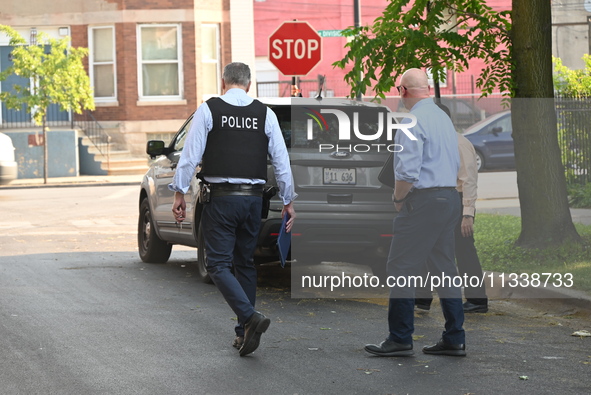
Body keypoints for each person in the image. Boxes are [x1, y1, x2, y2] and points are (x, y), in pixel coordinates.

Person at [169, 62, 297, 357]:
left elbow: (190, 156)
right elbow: (281, 160)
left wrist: (179, 191)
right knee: (245, 264)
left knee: (217, 265)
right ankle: (243, 332)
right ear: (249, 85)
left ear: (223, 82)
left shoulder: (209, 109)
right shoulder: (265, 113)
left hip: (221, 200)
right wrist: (289, 201)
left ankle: (250, 317)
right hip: (253, 201)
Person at [364, 68, 466, 357]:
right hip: (448, 198)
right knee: (446, 269)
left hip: (423, 202)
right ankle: (455, 337)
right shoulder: (443, 118)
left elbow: (408, 170)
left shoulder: (412, 121)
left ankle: (399, 337)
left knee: (400, 268)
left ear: (403, 91)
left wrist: (398, 197)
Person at [414, 117, 489, 313]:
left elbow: (469, 180)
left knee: (464, 250)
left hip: (458, 199)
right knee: (426, 246)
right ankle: (422, 297)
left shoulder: (460, 144)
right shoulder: (435, 143)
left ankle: (477, 299)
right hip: (438, 198)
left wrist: (467, 214)